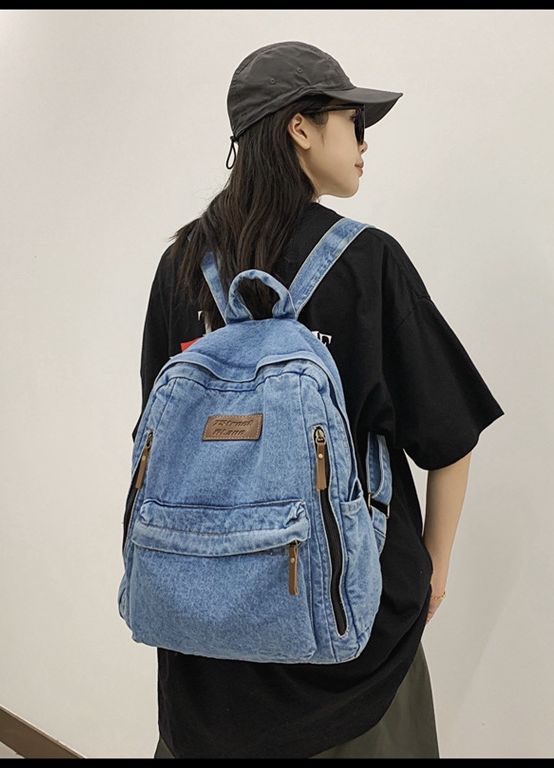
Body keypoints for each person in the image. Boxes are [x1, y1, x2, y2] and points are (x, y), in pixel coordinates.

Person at [136, 40, 503, 759]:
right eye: (352, 121)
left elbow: (154, 438)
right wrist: (431, 574)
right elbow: (449, 437)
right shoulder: (367, 262)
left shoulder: (180, 266)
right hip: (349, 659)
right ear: (299, 128)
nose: (364, 142)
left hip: (203, 655)